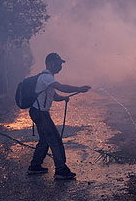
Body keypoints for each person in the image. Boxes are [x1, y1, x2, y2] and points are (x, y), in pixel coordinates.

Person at [28, 52, 91, 180]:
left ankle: (35, 166)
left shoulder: (48, 78)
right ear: (50, 63)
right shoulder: (46, 77)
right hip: (40, 113)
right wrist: (79, 88)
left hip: (38, 112)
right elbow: (61, 87)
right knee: (55, 140)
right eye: (58, 64)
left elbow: (54, 95)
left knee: (45, 140)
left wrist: (63, 98)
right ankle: (61, 170)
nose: (60, 67)